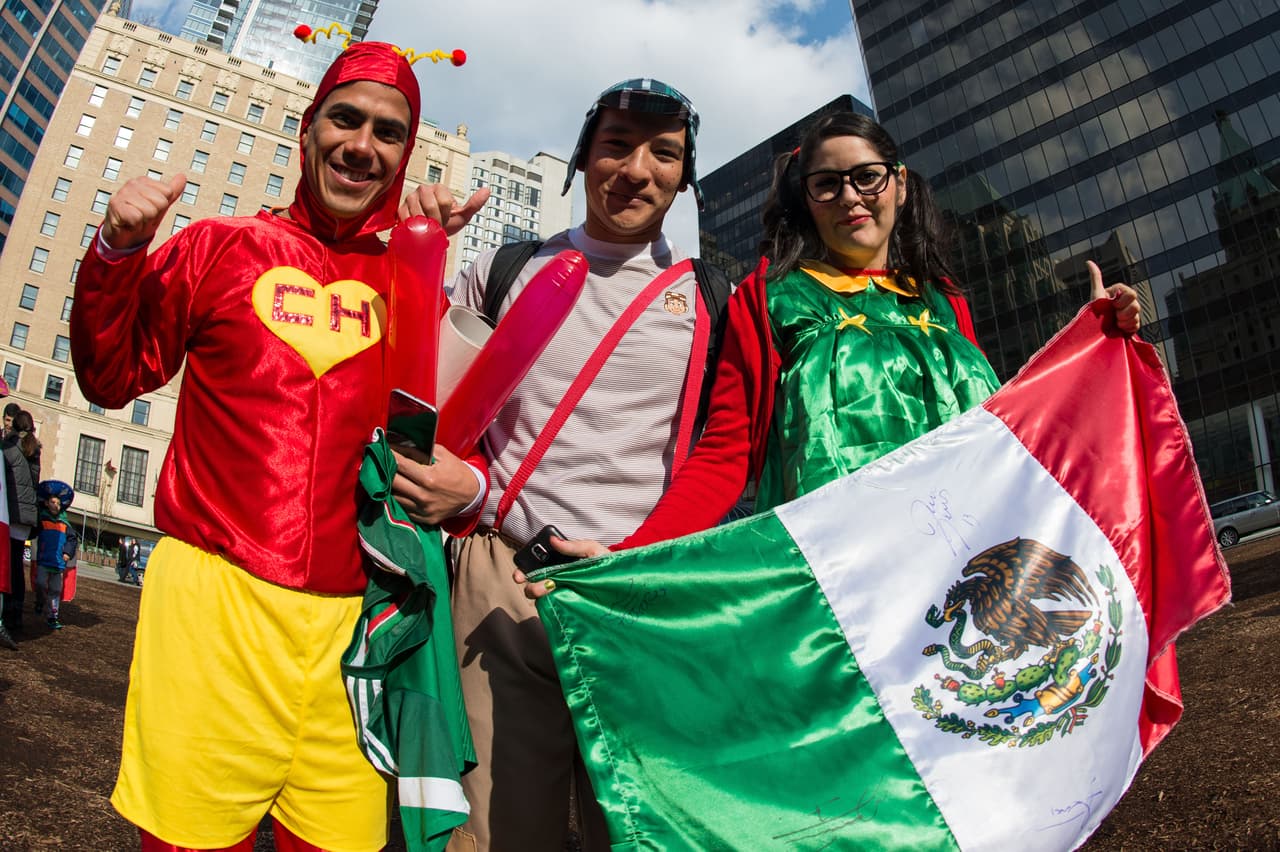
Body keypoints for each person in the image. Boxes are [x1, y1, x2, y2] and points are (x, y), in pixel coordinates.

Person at [69, 39, 483, 852]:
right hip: (214, 609)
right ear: (307, 131)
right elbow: (110, 376)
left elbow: (440, 443)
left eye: (389, 133)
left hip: (353, 626)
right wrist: (118, 250)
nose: (362, 144)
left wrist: (426, 263)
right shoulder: (215, 246)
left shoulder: (410, 285)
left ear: (405, 157)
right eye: (347, 119)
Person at [530, 111, 1140, 564]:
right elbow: (725, 455)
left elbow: (1010, 430)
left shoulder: (945, 298)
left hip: (973, 551)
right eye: (828, 184)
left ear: (898, 184)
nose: (850, 196)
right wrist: (633, 555)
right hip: (842, 574)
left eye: (867, 177)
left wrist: (1088, 350)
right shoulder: (766, 299)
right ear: (808, 201)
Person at [391, 78, 724, 851]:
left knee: (643, 835)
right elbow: (424, 414)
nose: (637, 169)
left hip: (633, 603)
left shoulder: (711, 297)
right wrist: (414, 243)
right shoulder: (502, 272)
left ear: (685, 176)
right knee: (492, 835)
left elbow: (723, 452)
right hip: (498, 586)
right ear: (583, 157)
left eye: (664, 153)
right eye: (615, 145)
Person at [2, 409, 39, 631]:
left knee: (7, 564)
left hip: (12, 513)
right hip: (26, 518)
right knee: (17, 565)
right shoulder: (34, 450)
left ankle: (7, 610)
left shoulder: (9, 448)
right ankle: (15, 612)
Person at [32, 480, 75, 630]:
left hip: (57, 563)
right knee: (40, 584)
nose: (55, 505)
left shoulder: (65, 524)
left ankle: (52, 616)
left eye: (57, 503)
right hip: (44, 560)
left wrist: (67, 552)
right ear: (46, 503)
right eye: (52, 502)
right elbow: (34, 531)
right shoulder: (42, 520)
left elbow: (72, 539)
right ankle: (39, 601)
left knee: (55, 590)